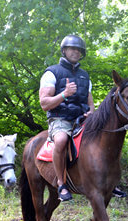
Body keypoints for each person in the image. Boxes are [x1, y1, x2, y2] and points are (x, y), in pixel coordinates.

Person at [39, 35, 95, 202]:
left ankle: (107, 181)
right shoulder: (51, 72)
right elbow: (44, 103)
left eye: (79, 50)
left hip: (81, 119)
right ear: (64, 50)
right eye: (72, 49)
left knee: (104, 136)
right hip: (60, 118)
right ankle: (61, 183)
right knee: (62, 139)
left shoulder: (85, 75)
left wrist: (90, 113)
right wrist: (64, 94)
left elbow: (90, 103)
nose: (76, 52)